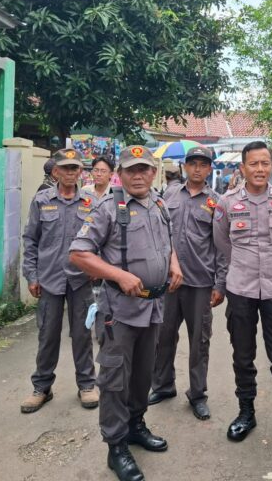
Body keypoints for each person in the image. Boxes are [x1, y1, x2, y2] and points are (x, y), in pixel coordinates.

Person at [69, 145, 183, 481]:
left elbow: (167, 243)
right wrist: (118, 275)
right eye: (131, 169)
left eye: (143, 169)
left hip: (152, 307)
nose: (138, 175)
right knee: (115, 380)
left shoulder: (159, 204)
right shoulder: (108, 208)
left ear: (153, 173)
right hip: (119, 311)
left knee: (143, 375)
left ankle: (135, 426)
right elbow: (79, 253)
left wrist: (174, 263)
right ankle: (116, 445)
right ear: (121, 173)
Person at [213, 141, 272, 449]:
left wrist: (269, 261)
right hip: (241, 289)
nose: (260, 169)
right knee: (242, 354)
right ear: (243, 168)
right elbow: (222, 241)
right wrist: (244, 262)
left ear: (271, 166)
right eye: (254, 164)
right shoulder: (226, 203)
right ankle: (246, 412)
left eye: (265, 163)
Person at [148, 146, 227, 420]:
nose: (197, 168)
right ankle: (163, 385)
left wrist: (220, 284)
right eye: (192, 163)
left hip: (200, 282)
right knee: (163, 335)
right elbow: (158, 234)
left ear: (209, 169)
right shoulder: (169, 195)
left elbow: (222, 246)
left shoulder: (217, 202)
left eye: (203, 164)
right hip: (169, 282)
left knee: (199, 341)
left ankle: (197, 394)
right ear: (185, 167)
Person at [21, 147, 99, 414]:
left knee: (82, 335)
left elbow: (101, 238)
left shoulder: (91, 202)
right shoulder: (42, 200)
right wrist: (31, 275)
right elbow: (31, 239)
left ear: (80, 172)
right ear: (55, 171)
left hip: (80, 280)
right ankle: (42, 388)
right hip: (49, 279)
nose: (70, 172)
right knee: (47, 336)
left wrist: (97, 267)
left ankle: (87, 385)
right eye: (65, 168)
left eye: (74, 168)